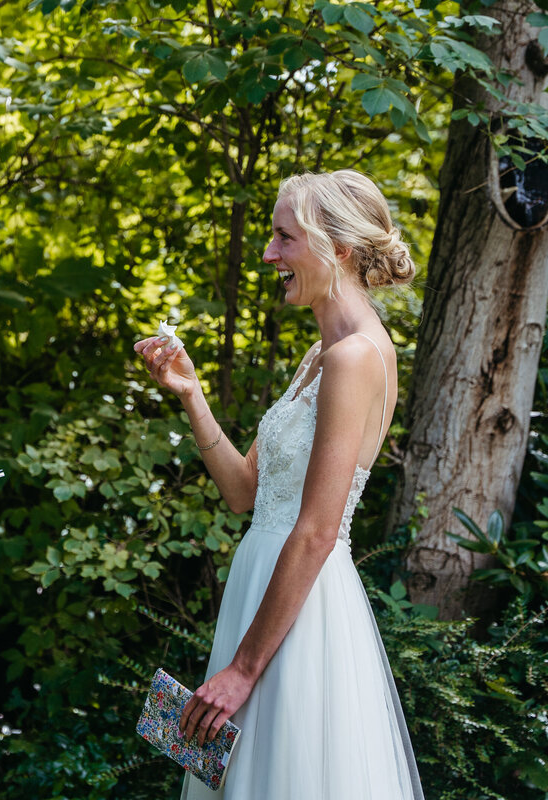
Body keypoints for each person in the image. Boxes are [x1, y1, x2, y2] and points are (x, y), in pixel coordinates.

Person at [135, 170, 424, 799]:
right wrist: (191, 394)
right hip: (261, 592)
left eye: (284, 237)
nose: (269, 254)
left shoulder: (355, 357)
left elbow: (318, 530)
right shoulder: (319, 357)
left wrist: (243, 668)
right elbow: (245, 491)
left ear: (337, 248)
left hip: (301, 610)